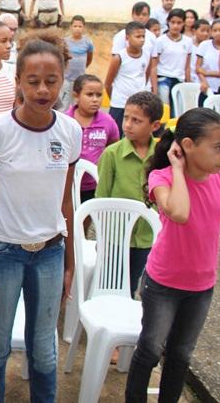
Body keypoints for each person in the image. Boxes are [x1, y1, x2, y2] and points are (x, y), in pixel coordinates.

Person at [0, 39, 81, 401]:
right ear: (18, 80)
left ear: (64, 80)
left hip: (50, 252)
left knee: (44, 346)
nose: (42, 90)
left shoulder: (70, 132)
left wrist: (70, 260)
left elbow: (65, 200)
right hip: (2, 252)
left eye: (51, 80)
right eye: (33, 80)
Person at [125, 108, 220, 402]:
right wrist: (176, 168)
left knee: (181, 354)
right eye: (219, 147)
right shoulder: (162, 178)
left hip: (201, 285)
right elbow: (180, 213)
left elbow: (210, 223)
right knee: (149, 349)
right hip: (163, 284)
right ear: (187, 145)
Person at [96, 91, 162, 296]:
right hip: (115, 235)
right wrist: (103, 236)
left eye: (137, 120)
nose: (128, 125)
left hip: (145, 236)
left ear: (155, 126)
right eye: (126, 117)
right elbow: (102, 198)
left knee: (133, 284)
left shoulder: (162, 156)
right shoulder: (112, 154)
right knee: (110, 284)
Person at [64, 74, 119, 202]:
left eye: (99, 95)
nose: (95, 100)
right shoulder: (65, 121)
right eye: (89, 95)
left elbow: (112, 150)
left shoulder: (108, 122)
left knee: (87, 219)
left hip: (94, 185)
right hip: (67, 184)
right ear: (76, 95)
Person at [105, 22, 152, 133]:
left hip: (138, 105)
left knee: (135, 134)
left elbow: (145, 76)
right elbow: (107, 83)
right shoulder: (119, 57)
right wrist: (116, 99)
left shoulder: (146, 55)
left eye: (143, 36)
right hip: (119, 104)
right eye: (138, 36)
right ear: (127, 38)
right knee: (115, 134)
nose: (141, 40)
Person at [150, 8, 193, 116]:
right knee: (165, 112)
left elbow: (187, 66)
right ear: (168, 22)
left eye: (179, 23)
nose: (175, 26)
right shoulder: (160, 41)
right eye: (173, 22)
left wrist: (188, 84)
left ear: (183, 23)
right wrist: (154, 89)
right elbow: (154, 66)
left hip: (179, 80)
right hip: (163, 79)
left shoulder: (188, 42)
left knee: (178, 113)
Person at [61, 15, 95, 110]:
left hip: (80, 79)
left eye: (80, 26)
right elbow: (62, 58)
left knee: (77, 103)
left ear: (83, 27)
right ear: (71, 27)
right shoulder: (65, 42)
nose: (77, 29)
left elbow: (89, 59)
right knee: (64, 103)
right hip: (66, 78)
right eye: (75, 26)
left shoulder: (88, 42)